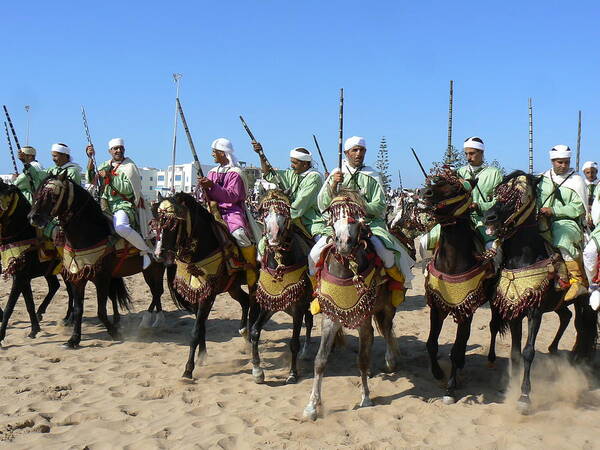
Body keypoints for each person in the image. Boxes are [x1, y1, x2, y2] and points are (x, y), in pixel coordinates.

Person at [308, 136, 414, 306]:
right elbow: (322, 203)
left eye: (362, 150)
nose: (359, 154)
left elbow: (380, 205)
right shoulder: (336, 174)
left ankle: (395, 287)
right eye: (355, 150)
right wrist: (332, 186)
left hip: (369, 224)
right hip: (339, 226)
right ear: (346, 153)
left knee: (386, 252)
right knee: (313, 254)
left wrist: (359, 206)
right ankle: (317, 294)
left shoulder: (372, 175)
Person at [419, 136, 503, 256]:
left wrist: (479, 206)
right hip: (456, 219)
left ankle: (496, 273)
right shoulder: (459, 173)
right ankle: (428, 272)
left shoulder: (494, 173)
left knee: (492, 249)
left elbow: (498, 202)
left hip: (481, 221)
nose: (468, 157)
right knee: (424, 242)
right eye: (466, 154)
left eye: (472, 153)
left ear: (481, 152)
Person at [198, 138, 259, 287]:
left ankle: (251, 267)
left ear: (223, 153)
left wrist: (212, 185)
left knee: (239, 234)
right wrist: (203, 188)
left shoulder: (236, 173)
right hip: (212, 210)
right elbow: (206, 194)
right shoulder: (212, 172)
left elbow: (231, 196)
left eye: (214, 151)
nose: (212, 154)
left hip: (231, 211)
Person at [86, 138, 154, 268]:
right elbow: (91, 179)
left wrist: (109, 177)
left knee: (121, 227)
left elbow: (129, 189)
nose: (118, 150)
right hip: (105, 206)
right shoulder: (105, 165)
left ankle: (145, 250)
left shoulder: (129, 166)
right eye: (115, 148)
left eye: (120, 148)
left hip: (124, 204)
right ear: (109, 151)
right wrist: (90, 158)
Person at [252, 142, 326, 255]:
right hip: (289, 216)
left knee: (320, 248)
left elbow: (300, 204)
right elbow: (269, 173)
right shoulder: (293, 174)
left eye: (295, 163)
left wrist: (284, 215)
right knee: (263, 245)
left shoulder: (314, 178)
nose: (292, 165)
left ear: (305, 164)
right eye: (292, 162)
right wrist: (261, 155)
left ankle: (316, 272)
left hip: (311, 220)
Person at [538, 144, 588, 301]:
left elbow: (578, 207)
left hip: (567, 222)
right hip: (542, 220)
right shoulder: (542, 178)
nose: (564, 165)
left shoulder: (577, 180)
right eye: (560, 162)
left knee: (562, 237)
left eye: (566, 162)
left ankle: (577, 280)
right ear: (552, 161)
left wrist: (554, 210)